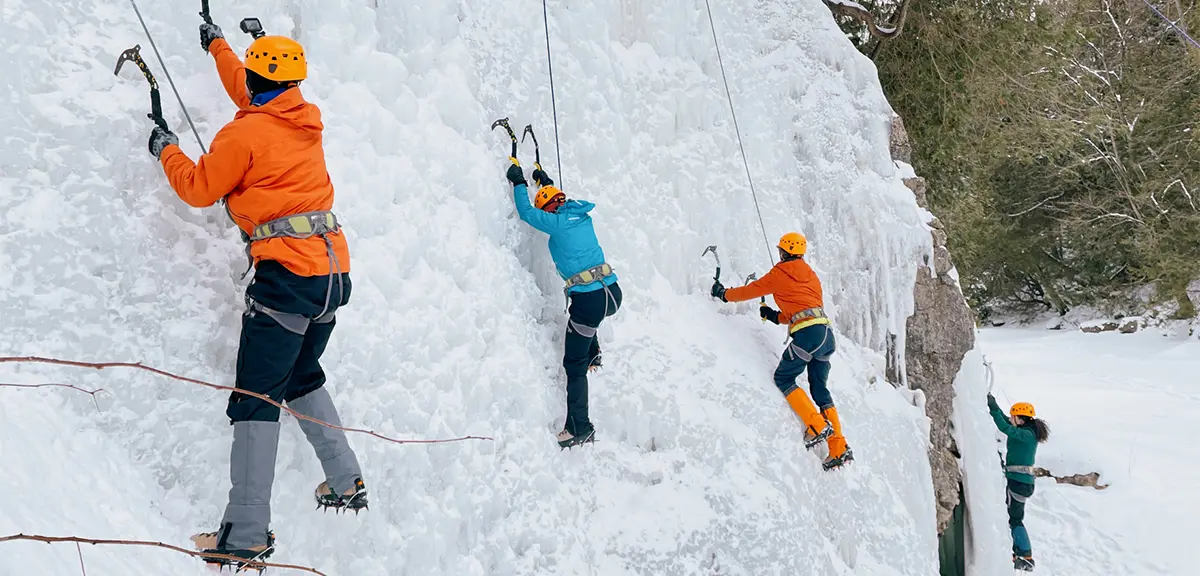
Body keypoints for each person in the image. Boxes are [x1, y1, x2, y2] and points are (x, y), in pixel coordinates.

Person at [146, 21, 366, 566]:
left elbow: (198, 187)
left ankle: (245, 534)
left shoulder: (243, 136)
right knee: (301, 376)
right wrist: (218, 44)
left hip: (286, 280)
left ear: (257, 78)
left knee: (257, 399)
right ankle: (345, 479)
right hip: (331, 274)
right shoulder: (303, 119)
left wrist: (166, 149)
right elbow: (250, 91)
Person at [711, 232, 853, 470]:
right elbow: (803, 307)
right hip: (826, 335)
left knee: (784, 377)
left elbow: (751, 290)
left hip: (808, 335)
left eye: (780, 251)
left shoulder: (780, 273)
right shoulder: (811, 275)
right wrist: (775, 316)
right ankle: (838, 446)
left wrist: (724, 294)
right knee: (820, 389)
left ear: (784, 252)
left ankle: (816, 425)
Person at [505, 161, 621, 448]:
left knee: (573, 364)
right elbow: (559, 203)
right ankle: (592, 351)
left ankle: (580, 426)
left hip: (590, 301)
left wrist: (519, 182)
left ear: (550, 210)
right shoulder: (580, 215)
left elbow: (528, 213)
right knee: (584, 325)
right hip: (612, 293)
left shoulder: (555, 221)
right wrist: (545, 182)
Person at [988, 394, 1051, 572]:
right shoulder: (1027, 431)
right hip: (1021, 482)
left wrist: (992, 408)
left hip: (1019, 483)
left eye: (1013, 416)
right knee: (1013, 518)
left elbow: (1004, 427)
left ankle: (1025, 556)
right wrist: (993, 405)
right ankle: (1018, 553)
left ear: (1019, 418)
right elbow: (1007, 424)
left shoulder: (1027, 435)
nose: (1011, 419)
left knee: (1015, 519)